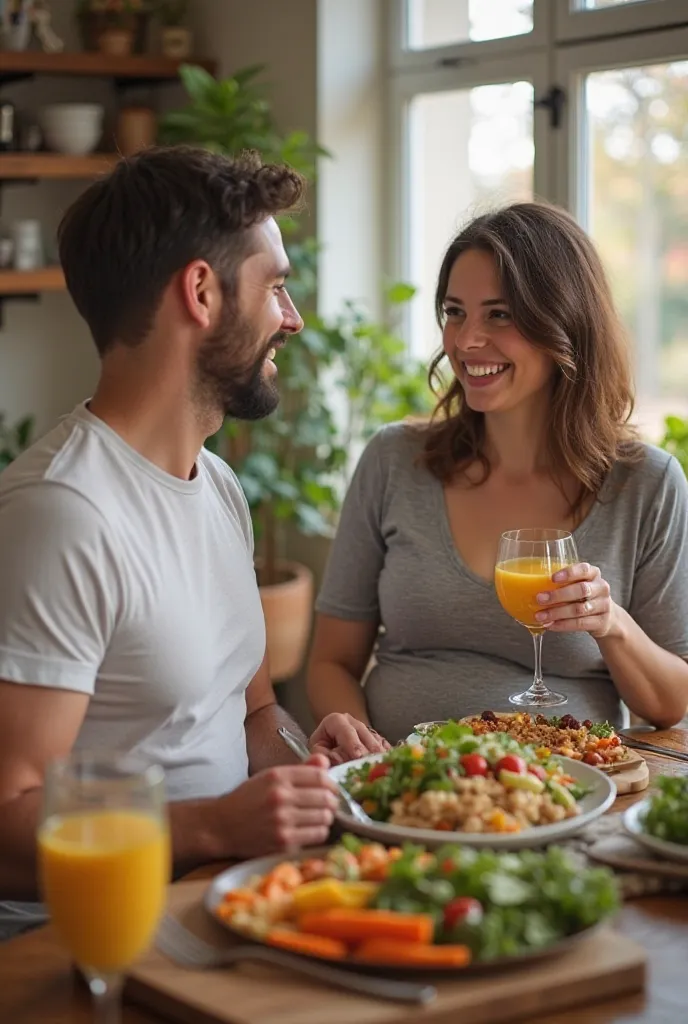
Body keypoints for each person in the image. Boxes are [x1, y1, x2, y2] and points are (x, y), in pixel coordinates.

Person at [0, 146, 386, 940]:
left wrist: (300, 766)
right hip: (75, 936)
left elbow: (251, 713)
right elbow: (9, 816)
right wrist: (214, 826)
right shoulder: (62, 515)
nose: (294, 317)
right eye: (276, 285)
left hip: (218, 897)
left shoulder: (215, 486)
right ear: (202, 292)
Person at [307, 201, 688, 744]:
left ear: (565, 322)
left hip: (562, 794)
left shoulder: (647, 485)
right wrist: (365, 748)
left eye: (500, 315)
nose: (465, 342)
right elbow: (331, 662)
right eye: (455, 311)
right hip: (406, 787)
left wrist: (612, 624)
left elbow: (671, 705)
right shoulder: (394, 461)